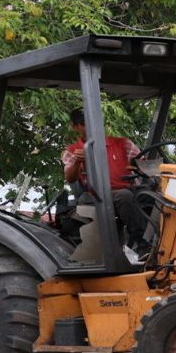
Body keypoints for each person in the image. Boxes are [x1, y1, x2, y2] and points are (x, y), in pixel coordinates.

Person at [61, 108, 150, 255]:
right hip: (96, 194)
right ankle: (141, 243)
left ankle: (159, 240)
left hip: (129, 188)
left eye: (95, 122)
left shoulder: (123, 144)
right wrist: (77, 162)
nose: (92, 126)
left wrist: (141, 168)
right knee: (125, 196)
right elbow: (70, 178)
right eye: (85, 123)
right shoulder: (73, 151)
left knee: (155, 194)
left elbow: (144, 166)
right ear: (75, 127)